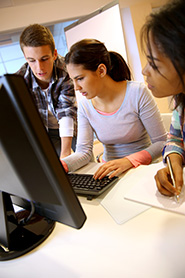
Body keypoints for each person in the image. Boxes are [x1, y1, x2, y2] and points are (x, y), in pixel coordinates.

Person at [61, 38, 167, 179]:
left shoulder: (137, 93)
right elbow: (84, 152)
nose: (76, 87)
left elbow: (162, 143)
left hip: (142, 170)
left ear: (101, 70)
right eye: (73, 80)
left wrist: (128, 161)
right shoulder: (85, 106)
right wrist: (60, 166)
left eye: (80, 78)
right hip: (109, 173)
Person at [141, 0, 185, 198]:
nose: (144, 71)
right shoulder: (180, 103)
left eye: (154, 64)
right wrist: (174, 160)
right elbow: (175, 138)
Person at [16, 24, 77, 159]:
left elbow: (66, 112)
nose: (39, 68)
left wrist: (65, 153)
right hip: (46, 132)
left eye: (44, 59)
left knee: (84, 166)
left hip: (73, 129)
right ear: (26, 58)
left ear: (54, 54)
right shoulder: (20, 80)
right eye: (32, 61)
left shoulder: (66, 71)